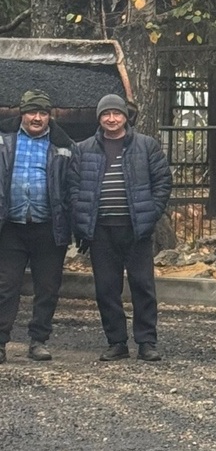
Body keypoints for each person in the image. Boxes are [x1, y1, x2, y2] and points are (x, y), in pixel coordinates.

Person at [71, 94, 173, 361]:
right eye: (106, 114)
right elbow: (74, 188)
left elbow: (162, 181)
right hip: (101, 230)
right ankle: (116, 342)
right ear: (99, 118)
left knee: (143, 286)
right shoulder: (83, 149)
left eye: (117, 114)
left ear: (126, 117)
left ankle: (147, 342)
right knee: (106, 288)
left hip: (136, 228)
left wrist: (151, 213)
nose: (112, 119)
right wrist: (82, 222)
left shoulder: (146, 145)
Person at [0, 89, 76, 363]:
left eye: (43, 113)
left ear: (49, 116)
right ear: (22, 113)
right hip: (10, 227)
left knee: (47, 288)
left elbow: (73, 187)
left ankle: (38, 341)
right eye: (32, 112)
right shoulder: (3, 139)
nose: (37, 117)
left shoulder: (63, 144)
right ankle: (0, 343)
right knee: (6, 287)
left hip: (48, 227)